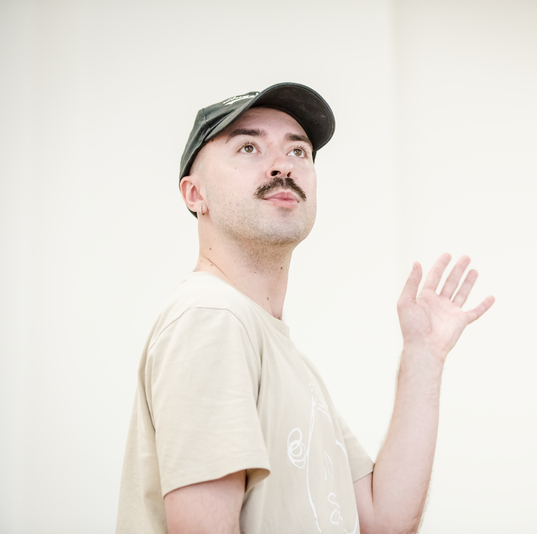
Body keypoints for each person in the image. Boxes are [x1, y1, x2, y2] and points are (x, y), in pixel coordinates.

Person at [116, 82, 494, 533]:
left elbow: (384, 520)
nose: (282, 166)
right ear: (195, 195)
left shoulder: (282, 354)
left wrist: (423, 357)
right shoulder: (212, 318)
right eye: (249, 147)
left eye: (299, 152)